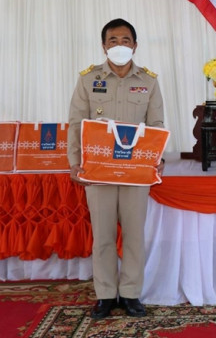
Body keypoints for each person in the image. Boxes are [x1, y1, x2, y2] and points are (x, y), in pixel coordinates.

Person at [67, 18, 165, 319]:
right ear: (103, 46)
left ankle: (132, 294)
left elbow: (156, 124)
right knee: (103, 236)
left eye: (125, 40)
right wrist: (75, 163)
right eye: (113, 40)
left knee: (134, 235)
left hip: (136, 172)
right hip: (98, 170)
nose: (119, 45)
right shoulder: (88, 80)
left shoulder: (149, 81)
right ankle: (106, 295)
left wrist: (157, 157)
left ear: (135, 45)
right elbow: (76, 124)